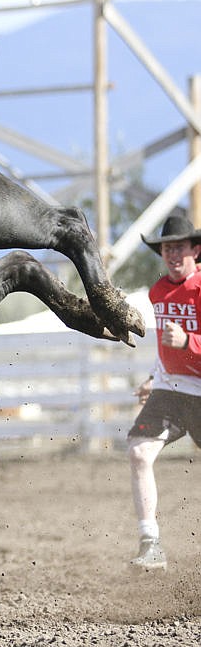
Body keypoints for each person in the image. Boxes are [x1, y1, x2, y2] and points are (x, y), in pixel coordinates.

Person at [127, 214, 201, 571]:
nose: (172, 254)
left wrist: (190, 341)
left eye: (179, 247)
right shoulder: (158, 291)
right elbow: (165, 348)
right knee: (140, 453)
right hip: (171, 390)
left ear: (195, 250)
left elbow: (183, 342)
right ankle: (150, 543)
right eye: (167, 248)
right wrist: (153, 376)